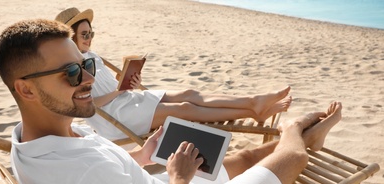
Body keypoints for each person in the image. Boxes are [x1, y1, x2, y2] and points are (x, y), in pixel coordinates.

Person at [0, 19, 342, 184]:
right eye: (71, 73)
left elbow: (104, 174)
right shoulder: (83, 177)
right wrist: (178, 177)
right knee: (293, 158)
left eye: (87, 66)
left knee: (248, 157)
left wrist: (142, 157)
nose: (86, 79)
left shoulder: (32, 140)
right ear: (25, 89)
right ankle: (296, 132)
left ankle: (305, 138)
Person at [54, 7, 292, 142]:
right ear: (71, 36)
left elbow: (108, 87)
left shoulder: (92, 55)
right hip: (116, 119)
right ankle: (253, 111)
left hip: (127, 102)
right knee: (185, 109)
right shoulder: (72, 67)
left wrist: (131, 82)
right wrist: (120, 90)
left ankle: (253, 103)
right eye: (84, 34)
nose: (90, 38)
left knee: (190, 93)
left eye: (91, 33)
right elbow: (86, 105)